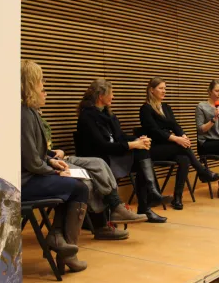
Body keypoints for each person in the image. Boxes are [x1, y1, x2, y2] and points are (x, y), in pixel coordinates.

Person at [21, 59, 88, 274]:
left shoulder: (29, 112)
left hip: (31, 176)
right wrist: (56, 170)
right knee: (79, 188)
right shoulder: (23, 114)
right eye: (41, 80)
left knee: (72, 185)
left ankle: (58, 239)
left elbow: (35, 154)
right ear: (30, 83)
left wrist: (50, 161)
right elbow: (31, 162)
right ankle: (65, 250)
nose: (44, 85)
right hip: (23, 183)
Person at [38, 110, 148, 242]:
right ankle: (100, 226)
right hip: (47, 163)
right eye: (42, 90)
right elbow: (32, 154)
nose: (45, 93)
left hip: (58, 157)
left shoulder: (37, 119)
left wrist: (57, 150)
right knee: (88, 177)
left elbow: (43, 147)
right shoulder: (26, 118)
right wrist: (49, 157)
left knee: (98, 163)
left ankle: (116, 207)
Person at [77, 79, 172, 224]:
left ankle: (147, 203)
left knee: (142, 151)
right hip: (100, 159)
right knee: (140, 152)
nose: (113, 96)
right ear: (100, 96)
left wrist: (139, 139)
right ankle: (149, 200)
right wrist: (133, 144)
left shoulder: (109, 114)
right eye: (111, 93)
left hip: (112, 154)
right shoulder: (87, 117)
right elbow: (102, 146)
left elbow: (119, 137)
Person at [140, 77, 219, 210]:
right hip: (153, 148)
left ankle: (177, 198)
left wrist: (183, 136)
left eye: (165, 88)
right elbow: (154, 131)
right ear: (151, 90)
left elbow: (175, 125)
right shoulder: (145, 109)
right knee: (182, 147)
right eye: (161, 88)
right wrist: (176, 139)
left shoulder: (166, 107)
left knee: (184, 159)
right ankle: (202, 171)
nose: (164, 91)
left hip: (170, 148)